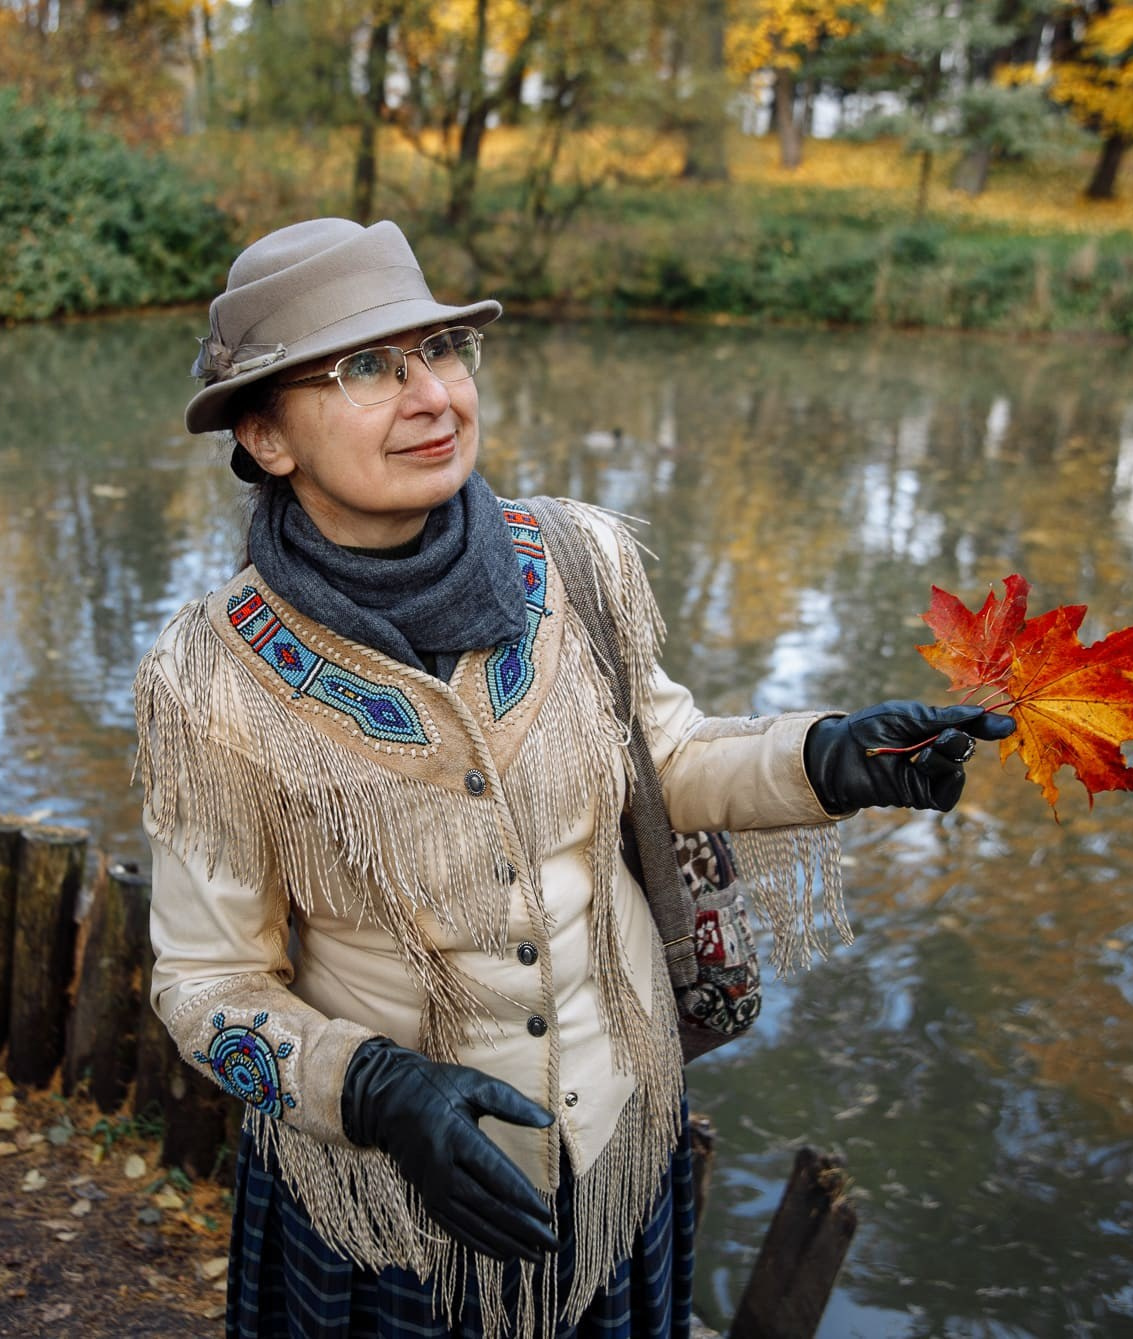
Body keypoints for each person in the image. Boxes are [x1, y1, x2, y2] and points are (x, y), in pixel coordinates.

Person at [135, 217, 1014, 1338]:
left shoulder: (578, 563)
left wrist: (828, 756)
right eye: (366, 368)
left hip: (615, 1165)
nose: (432, 395)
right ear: (265, 436)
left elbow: (672, 761)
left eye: (443, 351)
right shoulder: (209, 677)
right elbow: (204, 986)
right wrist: (377, 1093)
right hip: (389, 1215)